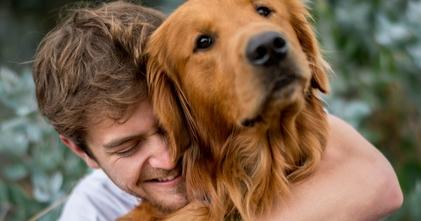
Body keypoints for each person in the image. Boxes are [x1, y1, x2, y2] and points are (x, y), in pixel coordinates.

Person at [32, 1, 403, 221]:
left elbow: (381, 184)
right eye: (128, 148)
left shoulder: (279, 126)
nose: (169, 155)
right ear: (81, 150)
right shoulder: (92, 207)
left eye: (171, 126)